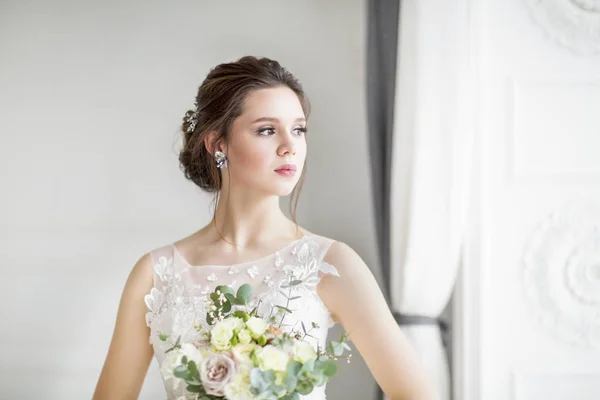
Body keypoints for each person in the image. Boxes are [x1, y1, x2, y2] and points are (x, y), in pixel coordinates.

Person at [93, 56, 437, 400]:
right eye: (267, 130)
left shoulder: (329, 263)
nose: (290, 146)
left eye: (298, 129)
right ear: (218, 144)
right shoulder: (156, 273)